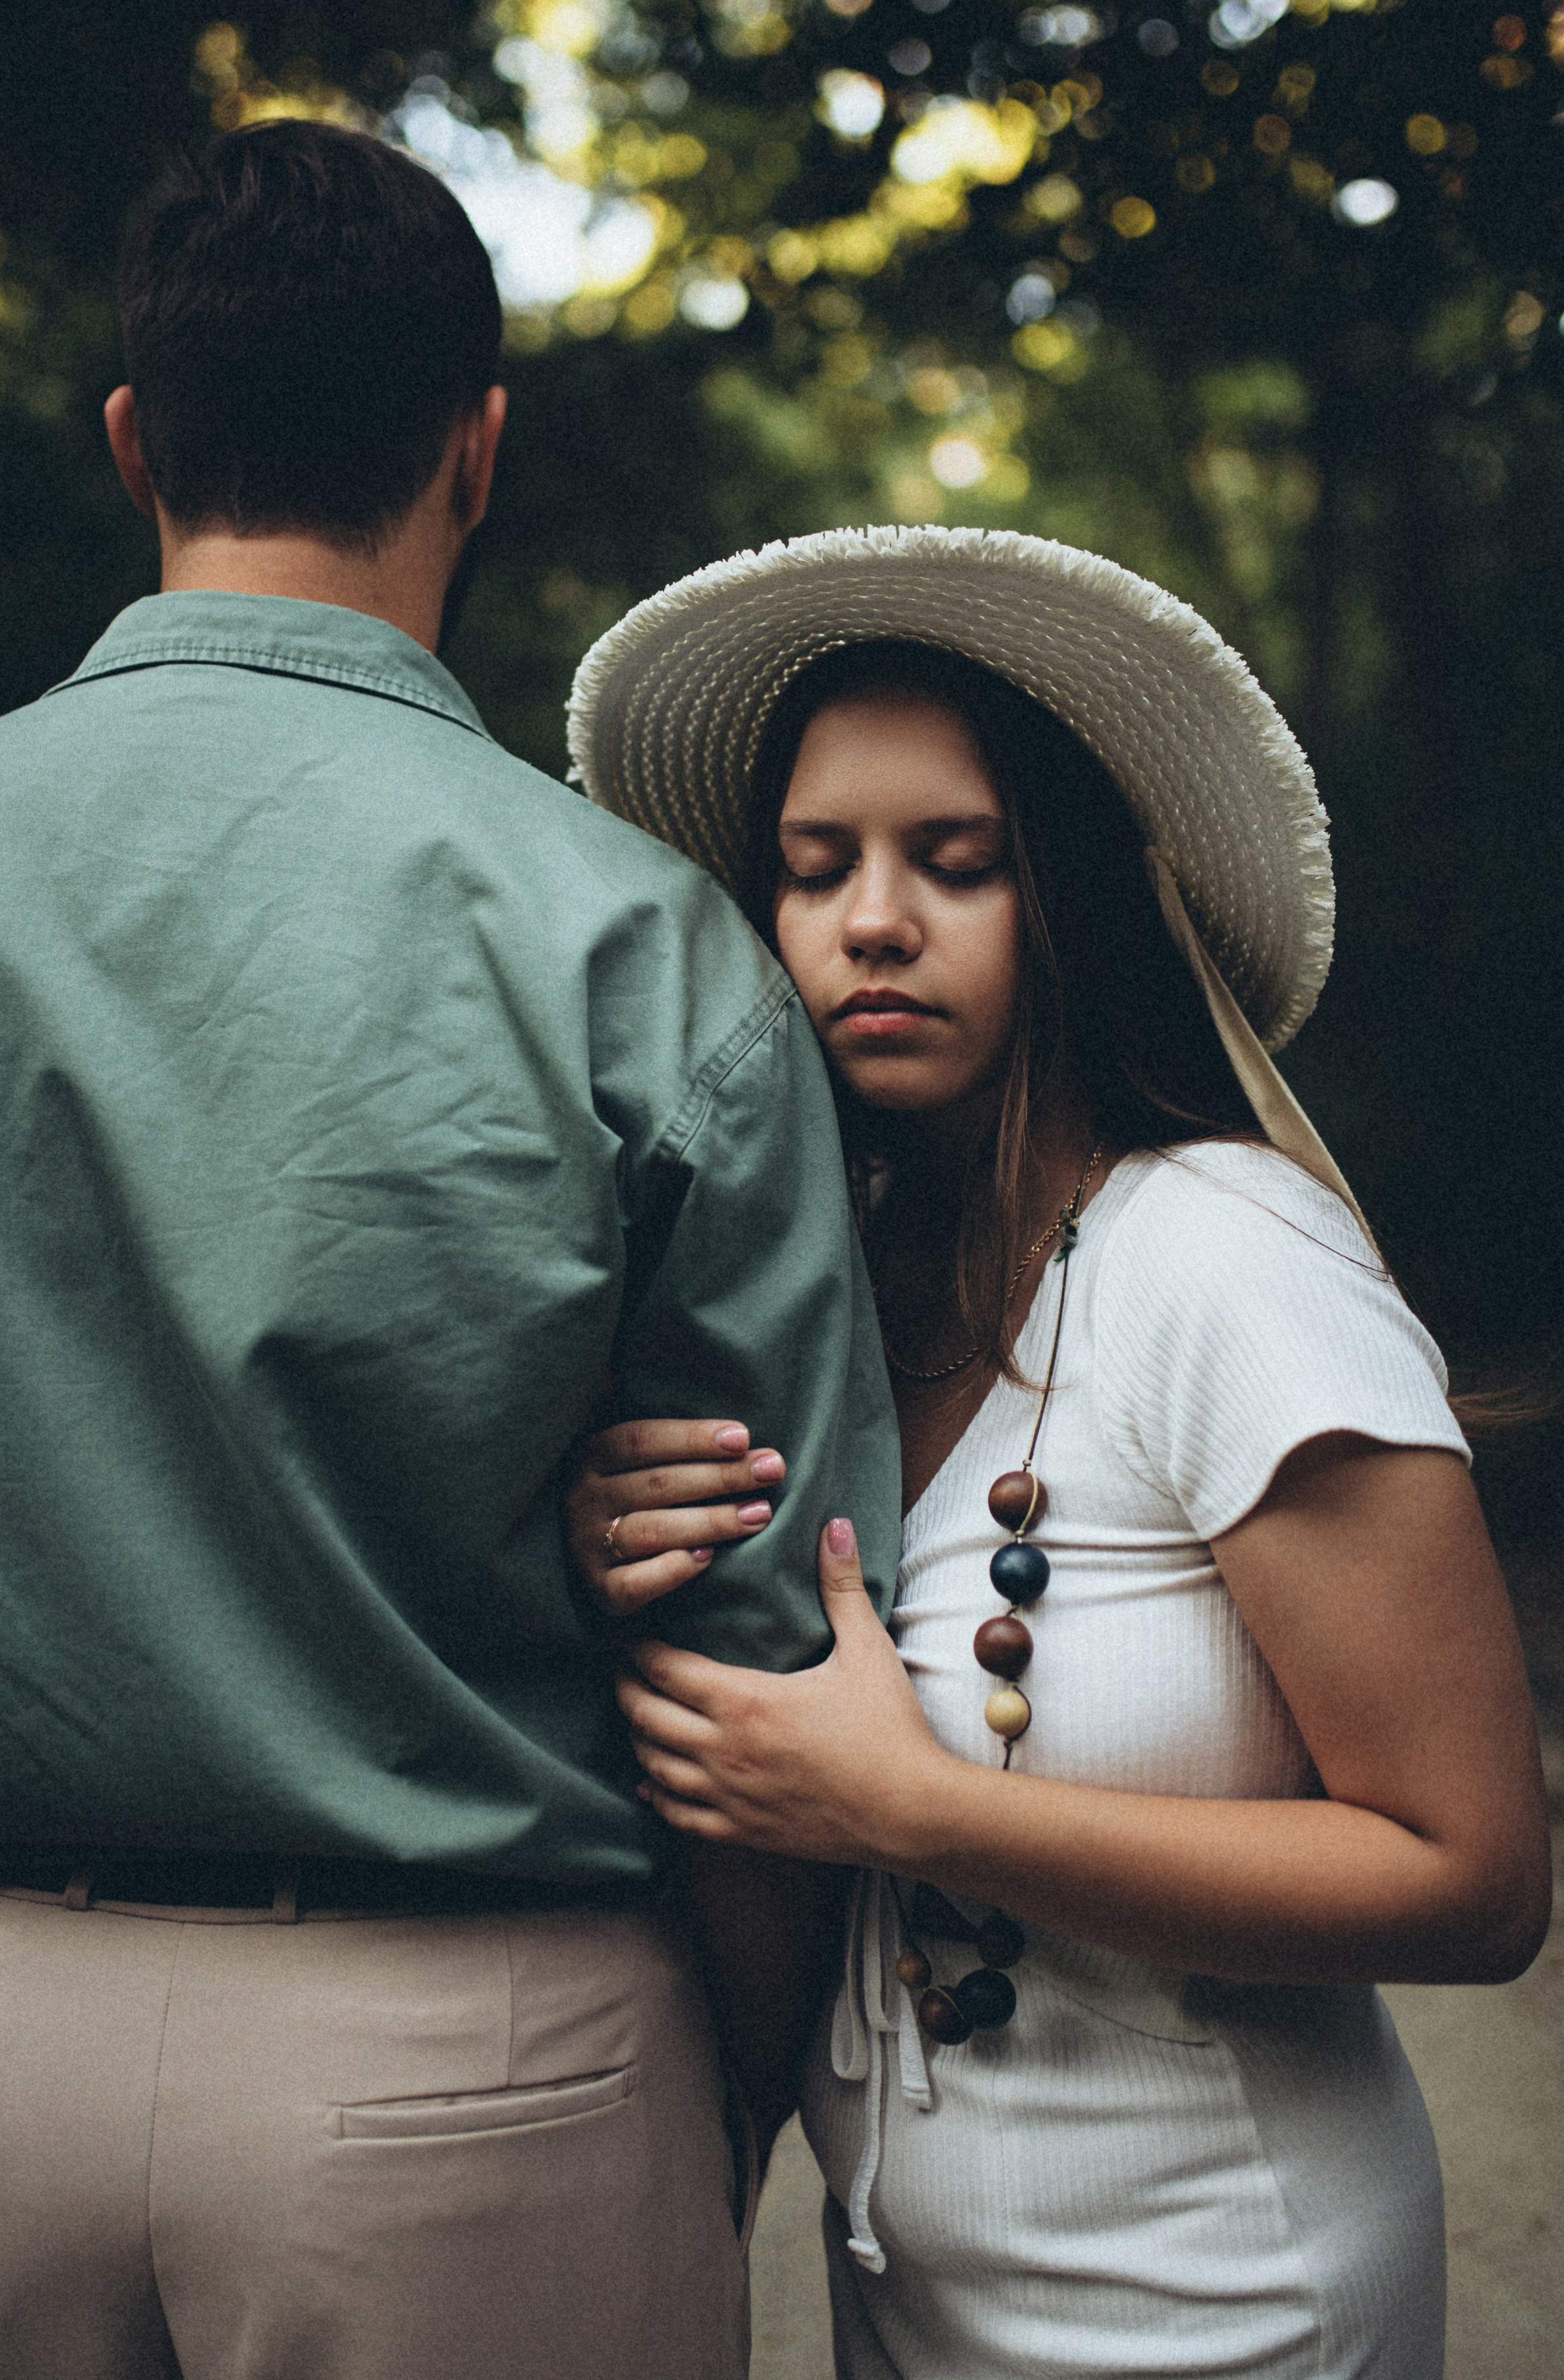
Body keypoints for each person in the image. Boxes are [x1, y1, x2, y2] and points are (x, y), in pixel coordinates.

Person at [0, 125, 902, 2380]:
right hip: (479, 2054)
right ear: (480, 448)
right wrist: (714, 2088)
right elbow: (771, 1632)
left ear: (138, 439)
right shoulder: (637, 945)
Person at [563, 525, 1553, 2380]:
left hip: (1224, 2311)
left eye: (959, 861)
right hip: (913, 2308)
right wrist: (616, 1528)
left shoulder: (1222, 1259)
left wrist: (919, 1809)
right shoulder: (832, 1296)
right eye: (813, 866)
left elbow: (1480, 1877)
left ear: (1072, 900)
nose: (874, 920)